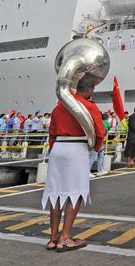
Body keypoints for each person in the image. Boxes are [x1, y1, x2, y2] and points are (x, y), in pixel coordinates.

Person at [42, 75, 106, 252]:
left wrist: (54, 148)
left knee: (55, 193)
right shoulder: (89, 106)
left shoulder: (59, 107)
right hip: (77, 147)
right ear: (90, 90)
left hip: (58, 148)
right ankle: (65, 237)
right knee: (75, 193)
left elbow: (52, 132)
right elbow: (100, 132)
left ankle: (53, 238)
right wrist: (94, 148)